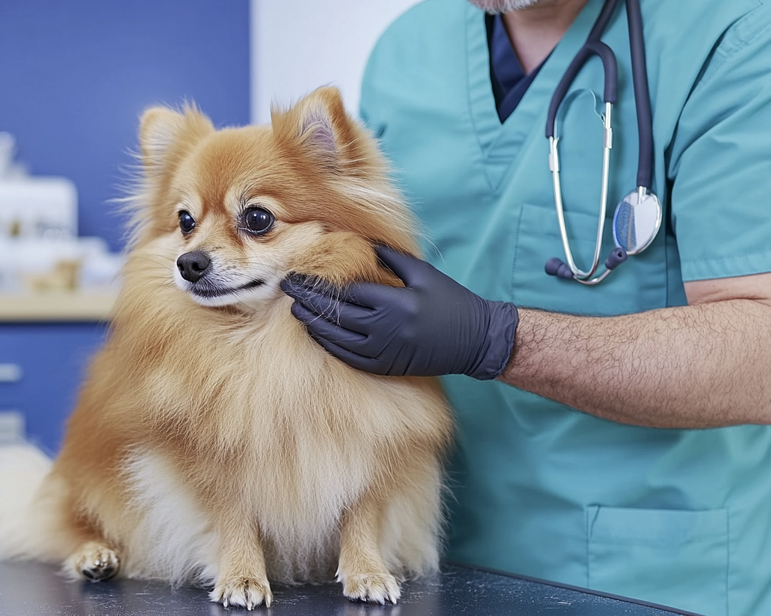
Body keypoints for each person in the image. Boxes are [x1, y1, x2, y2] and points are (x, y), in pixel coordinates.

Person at [280, 1, 771, 615]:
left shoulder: (731, 37)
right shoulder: (409, 48)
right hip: (418, 554)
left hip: (640, 574)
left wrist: (498, 339)